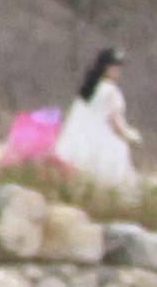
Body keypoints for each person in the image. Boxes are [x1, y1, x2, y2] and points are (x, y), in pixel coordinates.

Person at [57, 50, 136, 191]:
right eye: (115, 68)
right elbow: (114, 120)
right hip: (104, 142)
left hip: (82, 143)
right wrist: (128, 136)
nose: (118, 72)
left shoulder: (88, 89)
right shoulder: (110, 90)